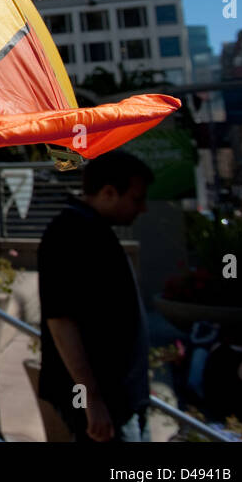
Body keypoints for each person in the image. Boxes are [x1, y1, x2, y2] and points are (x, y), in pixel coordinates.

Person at [38, 149, 154, 442]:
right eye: (136, 199)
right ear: (109, 193)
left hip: (121, 400)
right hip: (106, 405)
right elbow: (61, 320)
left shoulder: (92, 229)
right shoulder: (69, 234)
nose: (143, 210)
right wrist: (92, 400)